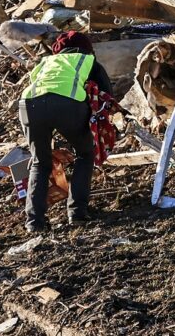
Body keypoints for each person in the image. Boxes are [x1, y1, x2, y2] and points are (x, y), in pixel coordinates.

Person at [19, 31, 112, 232]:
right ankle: (77, 213)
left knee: (39, 162)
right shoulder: (87, 61)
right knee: (85, 154)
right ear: (87, 48)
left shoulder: (45, 62)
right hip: (66, 105)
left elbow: (41, 89)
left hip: (29, 106)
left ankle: (34, 222)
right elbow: (107, 96)